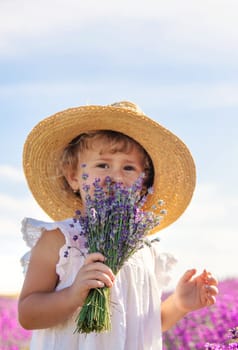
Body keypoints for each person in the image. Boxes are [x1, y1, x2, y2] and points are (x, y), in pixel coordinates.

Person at [18, 101, 218, 350]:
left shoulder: (145, 250)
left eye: (129, 167)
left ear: (143, 186)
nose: (116, 175)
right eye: (103, 165)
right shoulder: (60, 239)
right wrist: (72, 296)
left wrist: (179, 304)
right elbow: (28, 315)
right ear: (73, 178)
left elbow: (146, 323)